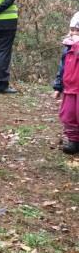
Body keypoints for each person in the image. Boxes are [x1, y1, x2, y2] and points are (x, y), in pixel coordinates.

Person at [52, 11, 79, 155]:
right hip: (69, 88)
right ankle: (73, 141)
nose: (74, 33)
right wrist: (58, 86)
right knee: (69, 115)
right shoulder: (67, 47)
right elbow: (62, 67)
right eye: (72, 30)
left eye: (78, 31)